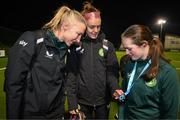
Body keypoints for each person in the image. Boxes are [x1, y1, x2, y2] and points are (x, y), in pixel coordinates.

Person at [4, 5, 86, 119]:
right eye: (78, 34)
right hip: (30, 115)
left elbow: (63, 84)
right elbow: (13, 84)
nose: (79, 40)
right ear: (65, 26)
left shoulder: (67, 50)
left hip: (55, 115)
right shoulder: (32, 40)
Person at [66, 1, 123, 119]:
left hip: (103, 102)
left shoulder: (108, 45)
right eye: (91, 26)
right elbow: (71, 75)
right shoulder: (75, 46)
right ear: (83, 24)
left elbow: (112, 73)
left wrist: (114, 88)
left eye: (99, 26)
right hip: (82, 102)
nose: (95, 30)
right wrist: (72, 101)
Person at [119, 24, 180, 119]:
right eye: (125, 48)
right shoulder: (129, 65)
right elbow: (124, 97)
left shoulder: (167, 72)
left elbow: (170, 114)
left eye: (129, 48)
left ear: (144, 44)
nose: (126, 53)